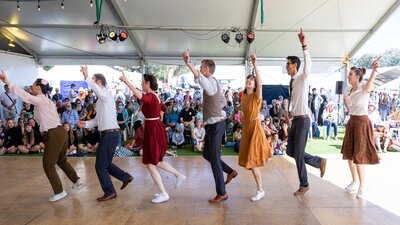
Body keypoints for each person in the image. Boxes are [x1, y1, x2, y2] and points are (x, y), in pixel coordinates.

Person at [0, 70, 82, 202]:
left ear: (38, 87)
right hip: (60, 132)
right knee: (61, 160)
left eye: (33, 85)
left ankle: (59, 191)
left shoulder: (41, 100)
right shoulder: (46, 101)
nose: (30, 87)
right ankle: (76, 180)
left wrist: (8, 82)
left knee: (48, 165)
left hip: (54, 133)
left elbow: (26, 97)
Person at [119, 72, 186, 204]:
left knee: (151, 163)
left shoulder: (150, 96)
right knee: (154, 161)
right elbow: (163, 109)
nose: (141, 84)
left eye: (142, 82)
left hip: (153, 130)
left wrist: (127, 82)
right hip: (154, 128)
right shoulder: (156, 96)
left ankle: (165, 191)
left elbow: (142, 97)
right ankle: (176, 178)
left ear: (147, 83)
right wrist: (154, 117)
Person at [183, 50, 237, 203]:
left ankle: (222, 192)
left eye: (202, 67)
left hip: (216, 125)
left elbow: (199, 78)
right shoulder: (212, 84)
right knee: (207, 154)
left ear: (207, 69)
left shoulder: (211, 82)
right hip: (213, 125)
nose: (200, 69)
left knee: (213, 159)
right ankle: (230, 171)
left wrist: (188, 63)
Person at [77, 66, 133, 202]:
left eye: (94, 81)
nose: (92, 85)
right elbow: (98, 120)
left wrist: (86, 76)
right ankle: (125, 177)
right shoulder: (100, 100)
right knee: (105, 164)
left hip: (110, 135)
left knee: (100, 166)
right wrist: (87, 124)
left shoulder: (106, 94)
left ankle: (110, 191)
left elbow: (96, 89)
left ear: (99, 82)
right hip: (109, 135)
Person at [284, 29, 327, 196]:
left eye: (288, 64)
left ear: (295, 65)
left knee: (299, 154)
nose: (286, 66)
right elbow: (293, 99)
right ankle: (318, 161)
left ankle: (304, 183)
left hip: (303, 121)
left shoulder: (302, 77)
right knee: (290, 152)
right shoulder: (292, 81)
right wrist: (289, 112)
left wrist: (304, 45)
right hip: (296, 120)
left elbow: (308, 63)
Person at [342, 60, 381, 199]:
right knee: (349, 155)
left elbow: (370, 84)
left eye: (350, 75)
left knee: (359, 156)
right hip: (352, 121)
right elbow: (347, 103)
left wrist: (374, 70)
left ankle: (362, 187)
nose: (348, 76)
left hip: (362, 122)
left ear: (357, 76)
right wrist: (348, 108)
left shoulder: (364, 86)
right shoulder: (347, 89)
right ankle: (354, 181)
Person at [238, 53, 272, 201]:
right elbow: (243, 112)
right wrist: (242, 119)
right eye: (248, 80)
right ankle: (267, 153)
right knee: (250, 163)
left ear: (254, 84)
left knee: (252, 162)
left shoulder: (257, 96)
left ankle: (260, 190)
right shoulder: (243, 96)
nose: (249, 82)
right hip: (247, 128)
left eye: (251, 81)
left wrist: (255, 65)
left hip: (255, 127)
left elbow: (261, 84)